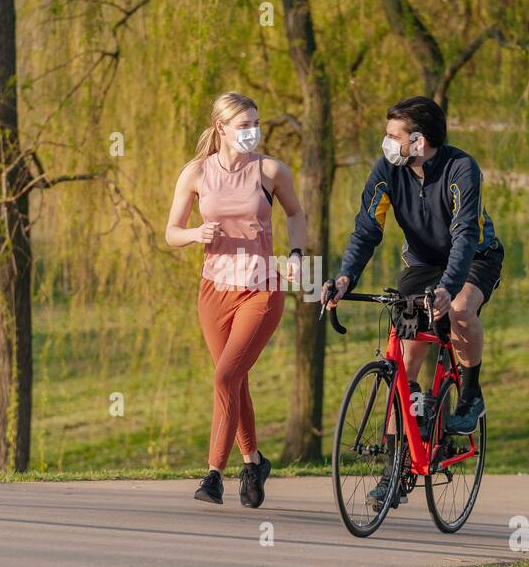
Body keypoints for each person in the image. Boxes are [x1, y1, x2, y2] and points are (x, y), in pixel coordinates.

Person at [327, 96, 503, 504]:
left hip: (476, 256)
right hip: (423, 263)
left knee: (459, 309)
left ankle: (471, 393)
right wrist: (344, 277)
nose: (386, 143)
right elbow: (367, 230)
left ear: (419, 141)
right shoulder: (388, 170)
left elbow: (464, 236)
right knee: (403, 367)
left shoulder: (462, 169)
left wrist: (448, 287)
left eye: (393, 136)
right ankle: (395, 469)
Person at [165, 92, 307, 508]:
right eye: (244, 126)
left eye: (256, 124)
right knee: (234, 378)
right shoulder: (195, 173)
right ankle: (254, 463)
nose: (253, 132)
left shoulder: (270, 171)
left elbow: (295, 214)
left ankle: (213, 474)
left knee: (225, 377)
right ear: (222, 128)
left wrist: (297, 255)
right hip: (213, 291)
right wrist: (195, 235)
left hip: (261, 287)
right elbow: (171, 232)